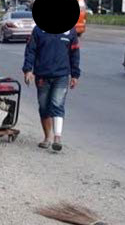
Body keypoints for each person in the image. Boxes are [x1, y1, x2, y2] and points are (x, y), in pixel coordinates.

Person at [22, 24, 81, 152]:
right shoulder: (38, 30)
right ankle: (47, 137)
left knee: (57, 103)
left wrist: (75, 74)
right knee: (44, 106)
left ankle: (57, 138)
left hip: (62, 76)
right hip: (42, 76)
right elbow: (30, 50)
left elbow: (74, 53)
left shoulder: (70, 31)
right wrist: (28, 70)